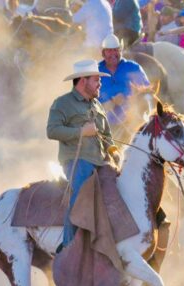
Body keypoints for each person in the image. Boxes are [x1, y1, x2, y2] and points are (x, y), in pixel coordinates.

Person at [47, 59, 119, 248]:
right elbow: (52, 131)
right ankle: (69, 247)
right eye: (96, 80)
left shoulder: (97, 105)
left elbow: (106, 134)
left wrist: (113, 150)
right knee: (79, 199)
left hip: (101, 161)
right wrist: (81, 132)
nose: (100, 84)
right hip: (78, 161)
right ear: (82, 81)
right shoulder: (62, 103)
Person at [97, 34, 150, 137]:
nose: (113, 53)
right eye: (109, 51)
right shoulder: (96, 71)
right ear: (103, 53)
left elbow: (147, 93)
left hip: (133, 124)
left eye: (116, 50)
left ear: (120, 51)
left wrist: (129, 99)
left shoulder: (133, 67)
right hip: (104, 126)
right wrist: (110, 103)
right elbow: (87, 102)